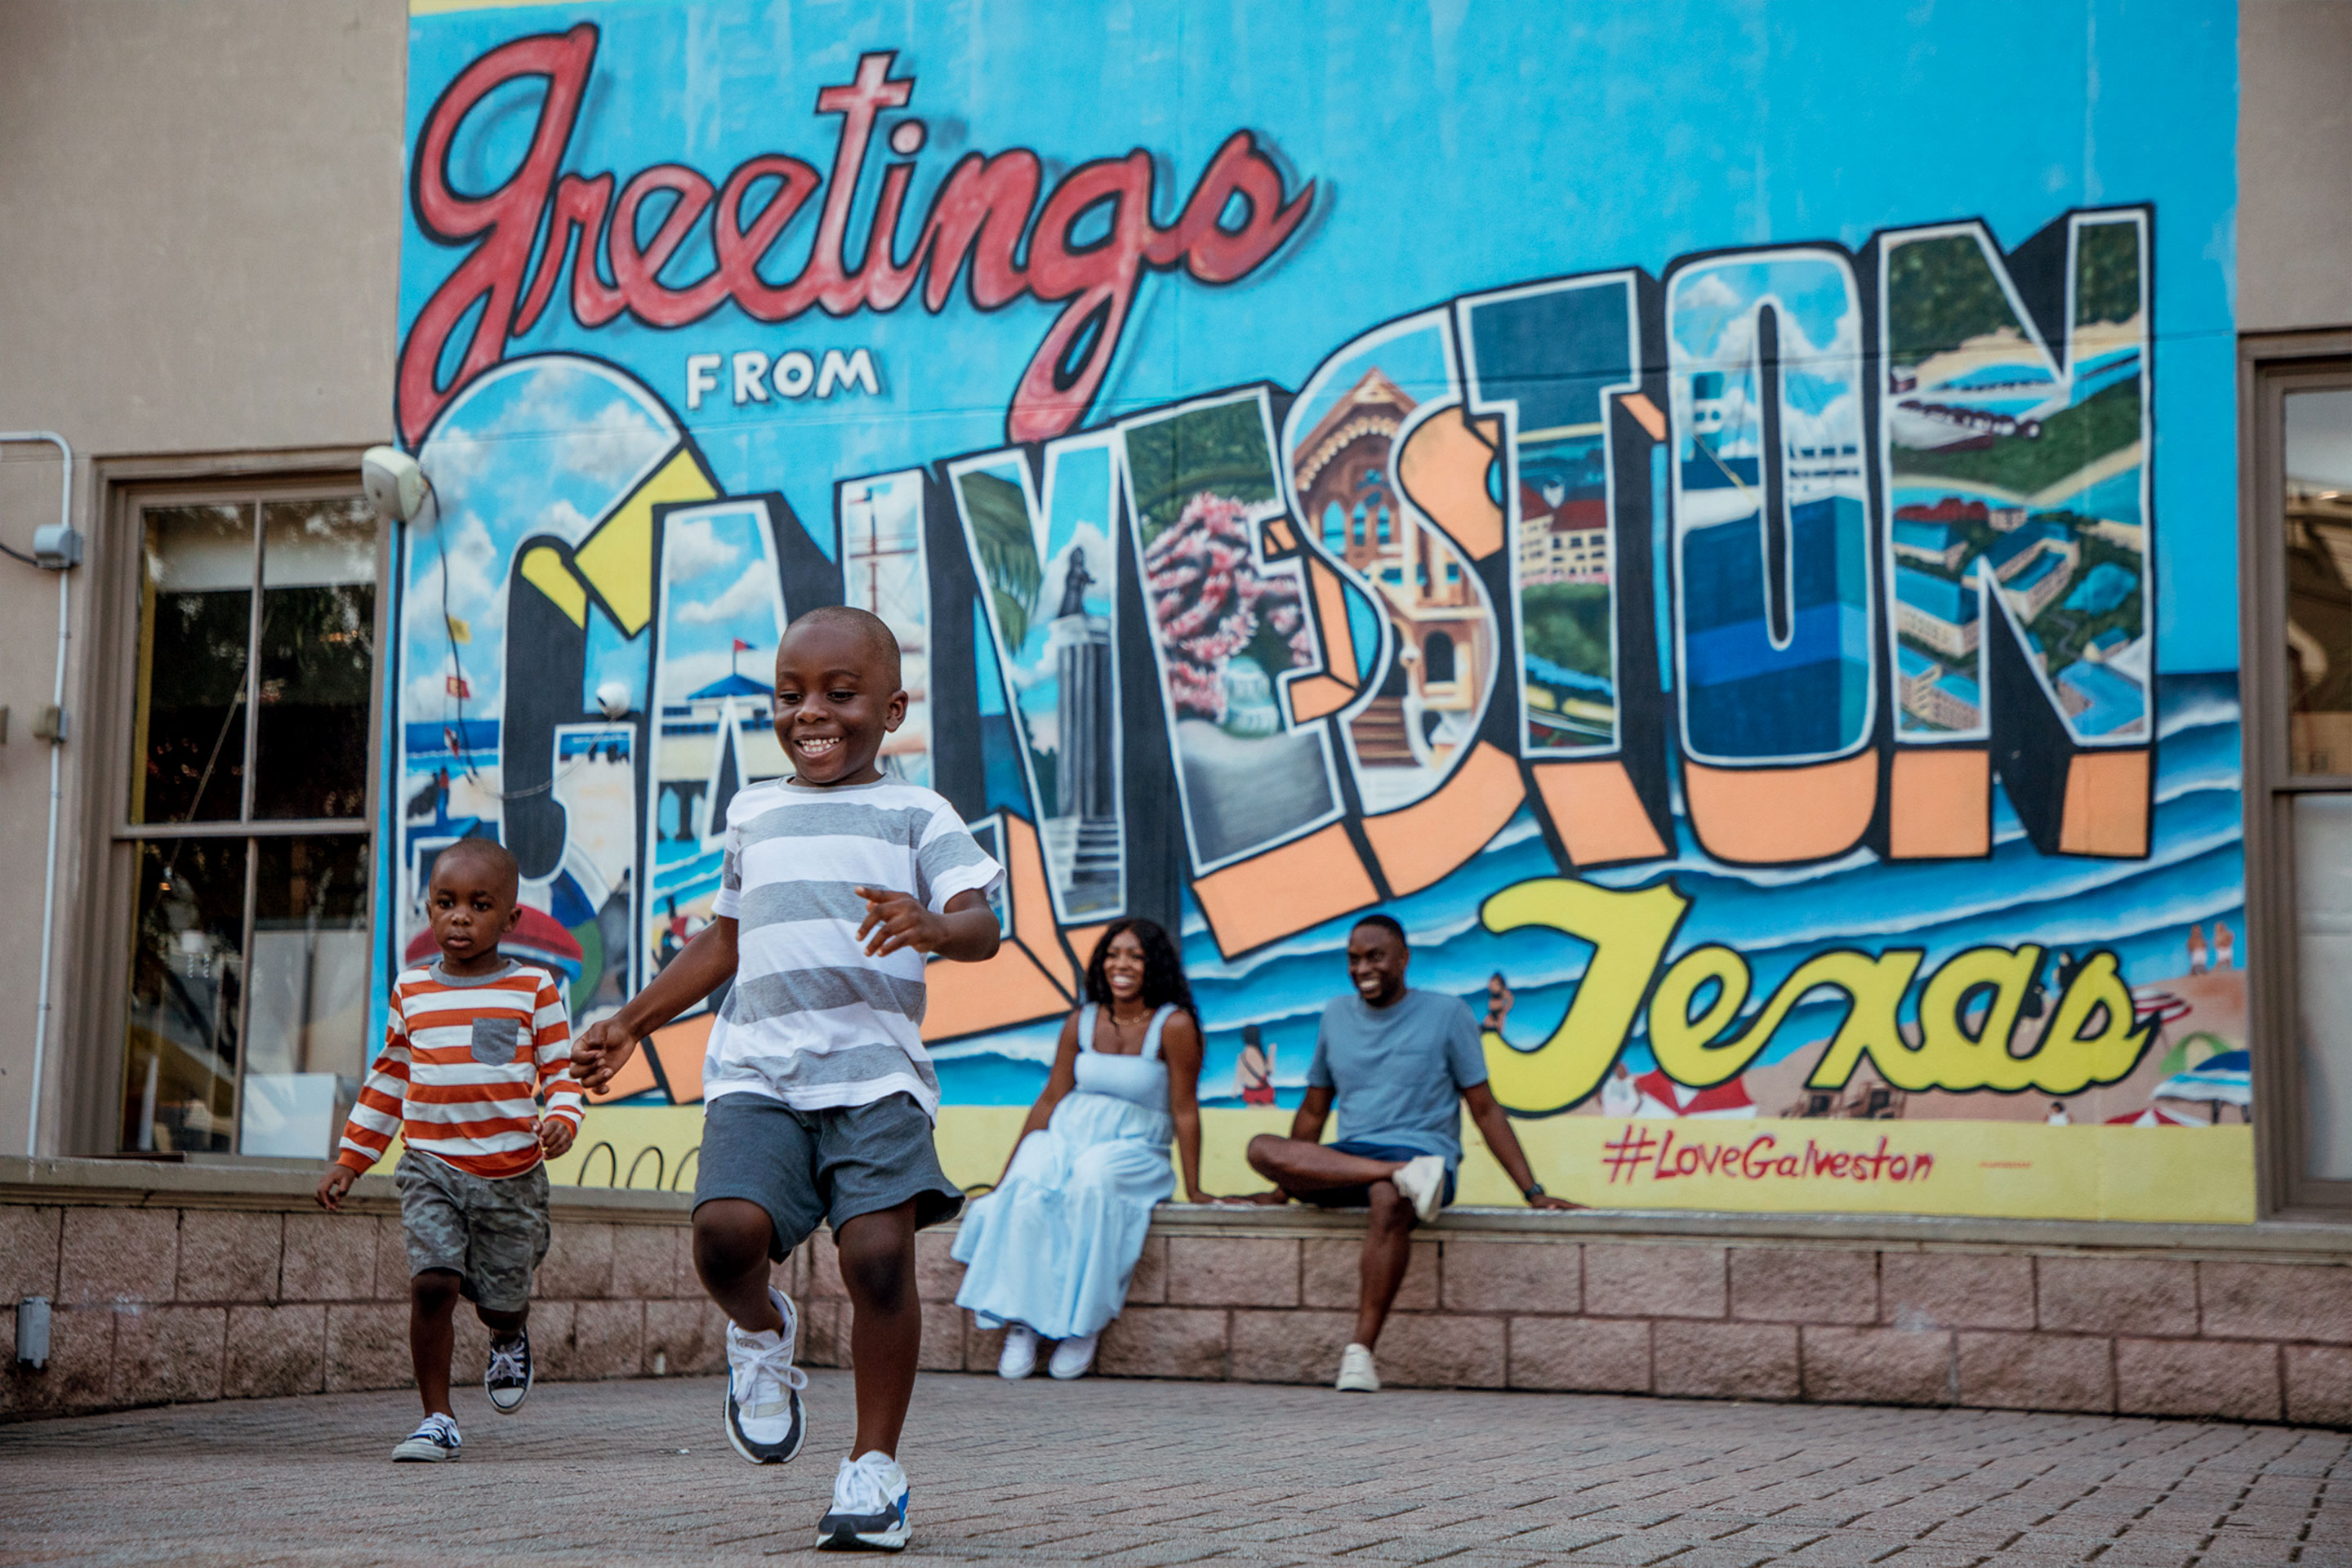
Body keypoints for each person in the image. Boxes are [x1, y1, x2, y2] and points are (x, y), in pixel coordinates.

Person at [572, 606, 1003, 1554]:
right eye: (791, 693)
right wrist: (631, 1024)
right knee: (727, 1239)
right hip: (758, 1071)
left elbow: (982, 924)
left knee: (880, 1259)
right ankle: (763, 1332)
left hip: (876, 1077)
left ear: (891, 708)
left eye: (840, 695)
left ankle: (874, 1469)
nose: (812, 713)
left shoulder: (918, 814)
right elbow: (727, 937)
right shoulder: (753, 812)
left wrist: (934, 927)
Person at [315, 837, 581, 1462]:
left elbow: (561, 1073)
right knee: (433, 1283)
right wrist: (351, 1159)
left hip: (511, 1174)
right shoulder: (412, 991)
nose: (460, 917)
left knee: (500, 1300)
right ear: (429, 909)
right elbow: (388, 1079)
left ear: (510, 919)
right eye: (446, 902)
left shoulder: (534, 988)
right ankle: (437, 1417)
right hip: (429, 1165)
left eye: (479, 904)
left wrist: (563, 1119)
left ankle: (509, 1333)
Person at [1243, 913, 1573, 1392]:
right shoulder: (1336, 1015)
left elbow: (1483, 1108)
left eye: (1374, 957)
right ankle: (1401, 1171)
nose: (1362, 968)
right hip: (1359, 1159)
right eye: (1353, 959)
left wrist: (1533, 1192)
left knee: (1387, 1196)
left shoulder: (1448, 1013)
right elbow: (1314, 1111)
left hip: (1427, 1153)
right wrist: (1283, 1188)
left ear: (1403, 959)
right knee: (1262, 1148)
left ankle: (1359, 1354)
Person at [952, 919, 1207, 1380]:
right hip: (1068, 1137)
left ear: (1155, 965)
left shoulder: (1174, 1025)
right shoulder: (1081, 1020)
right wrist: (1004, 1176)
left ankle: (1081, 1325)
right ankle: (1023, 1322)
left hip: (1135, 1152)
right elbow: (1050, 1099)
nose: (1120, 965)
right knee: (1029, 1184)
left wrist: (1196, 1188)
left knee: (1092, 1179)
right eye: (1112, 954)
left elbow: (1185, 1110)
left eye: (1134, 955)